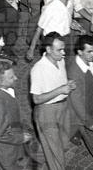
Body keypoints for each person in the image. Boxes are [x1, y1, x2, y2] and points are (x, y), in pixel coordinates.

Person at [29, 32, 74, 170]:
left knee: (63, 143)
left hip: (63, 107)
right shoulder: (38, 69)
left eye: (63, 49)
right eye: (59, 50)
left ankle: (38, 162)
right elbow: (36, 99)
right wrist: (60, 90)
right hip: (47, 111)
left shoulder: (60, 60)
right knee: (56, 151)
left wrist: (68, 84)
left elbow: (59, 82)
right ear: (48, 49)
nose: (63, 53)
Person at [66, 35, 93, 167]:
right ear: (80, 52)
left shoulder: (88, 60)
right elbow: (76, 101)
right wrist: (89, 121)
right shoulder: (74, 72)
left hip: (90, 108)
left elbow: (92, 68)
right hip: (82, 115)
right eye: (89, 51)